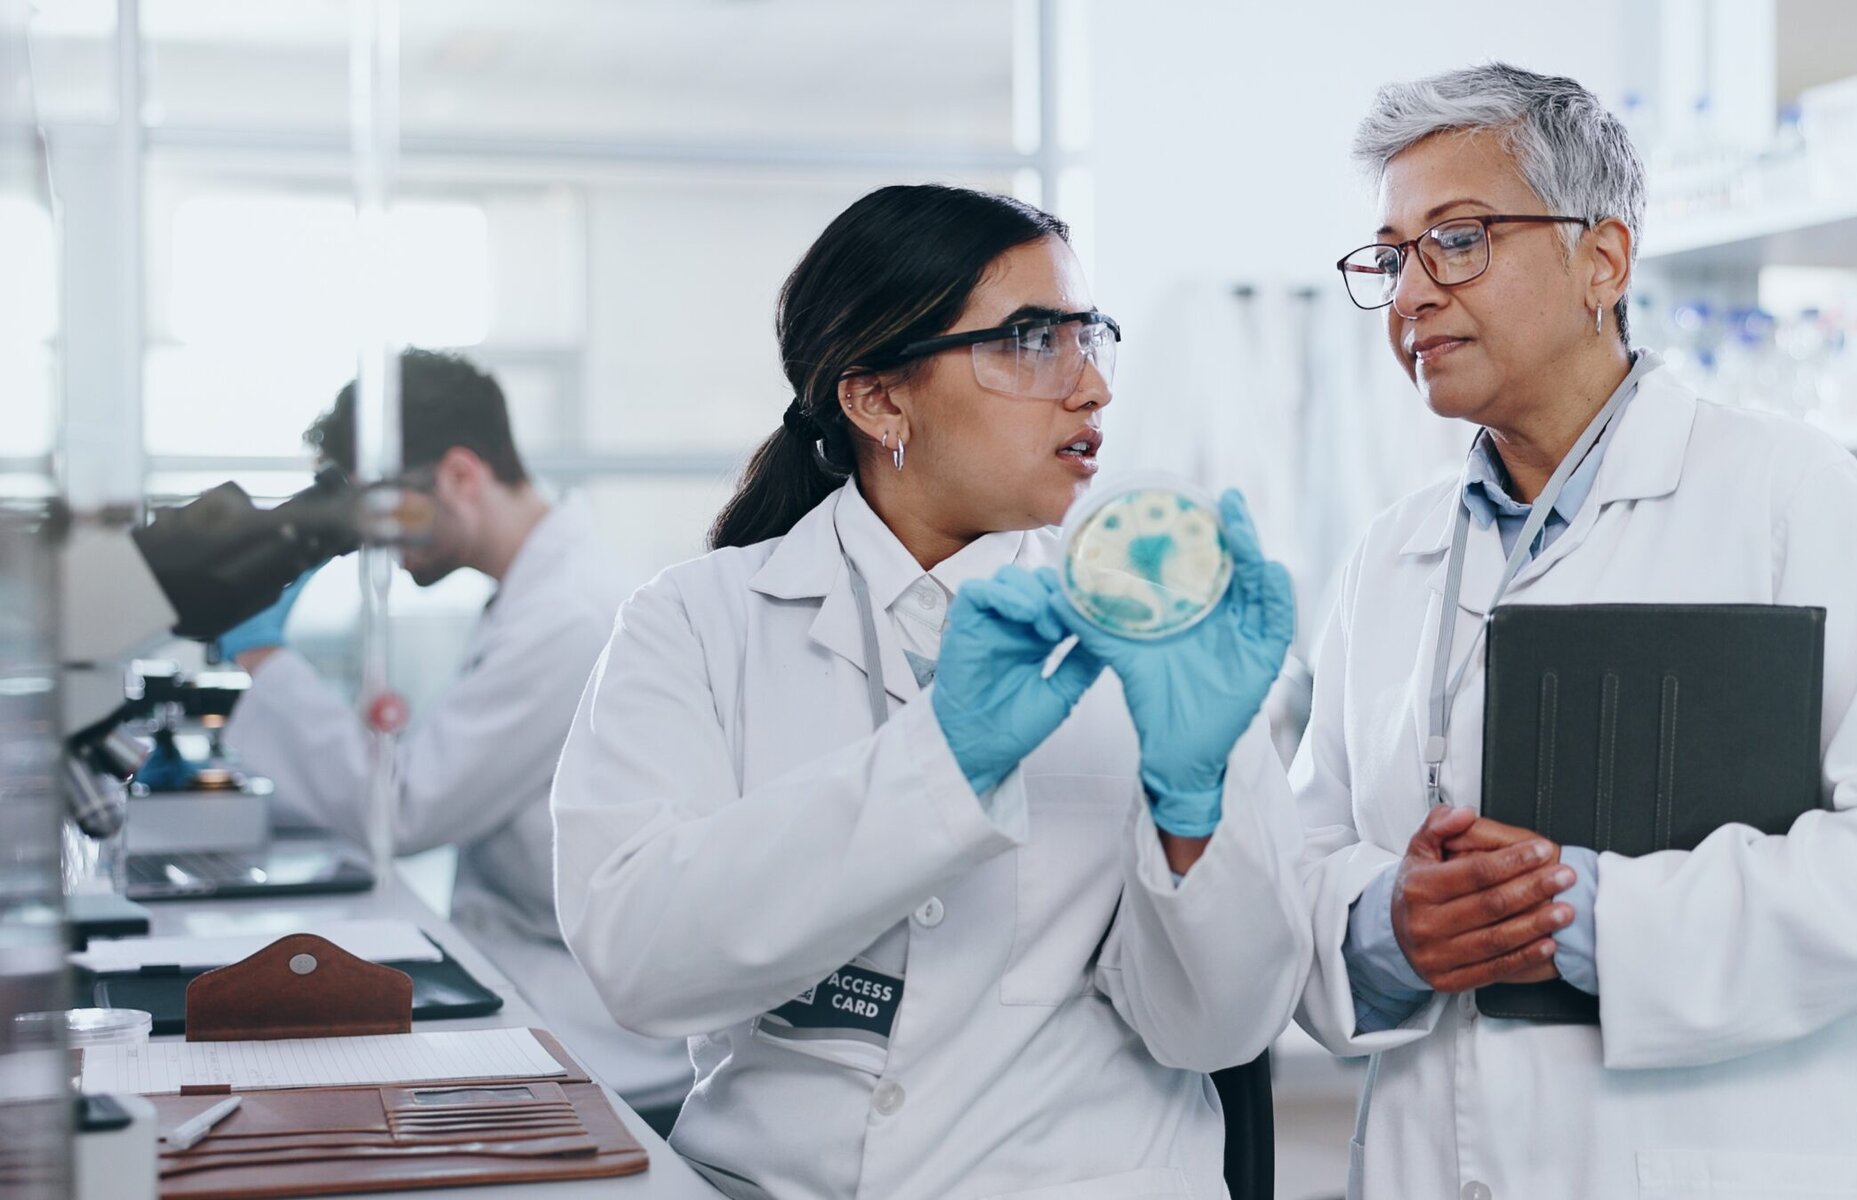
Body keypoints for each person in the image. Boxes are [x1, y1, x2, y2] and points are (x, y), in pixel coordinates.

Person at [1291, 65, 1857, 1198]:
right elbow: (1304, 857)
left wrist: (1594, 920)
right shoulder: (1389, 558)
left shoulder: (1790, 499)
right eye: (1390, 257)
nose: (1409, 294)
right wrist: (1382, 928)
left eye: (1456, 240)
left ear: (1602, 259)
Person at [549, 184, 1309, 1198]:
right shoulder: (698, 621)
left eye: (1090, 338)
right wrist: (942, 762)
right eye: (1032, 340)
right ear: (876, 398)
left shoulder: (1152, 630)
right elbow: (640, 962)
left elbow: (1213, 1028)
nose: (1090, 389)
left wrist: (1193, 797)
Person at [214, 350, 690, 1123]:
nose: (373, 541)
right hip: (529, 983)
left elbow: (405, 811)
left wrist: (266, 658)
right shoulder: (535, 595)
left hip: (596, 1039)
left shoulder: (568, 615)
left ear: (461, 475)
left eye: (381, 510)